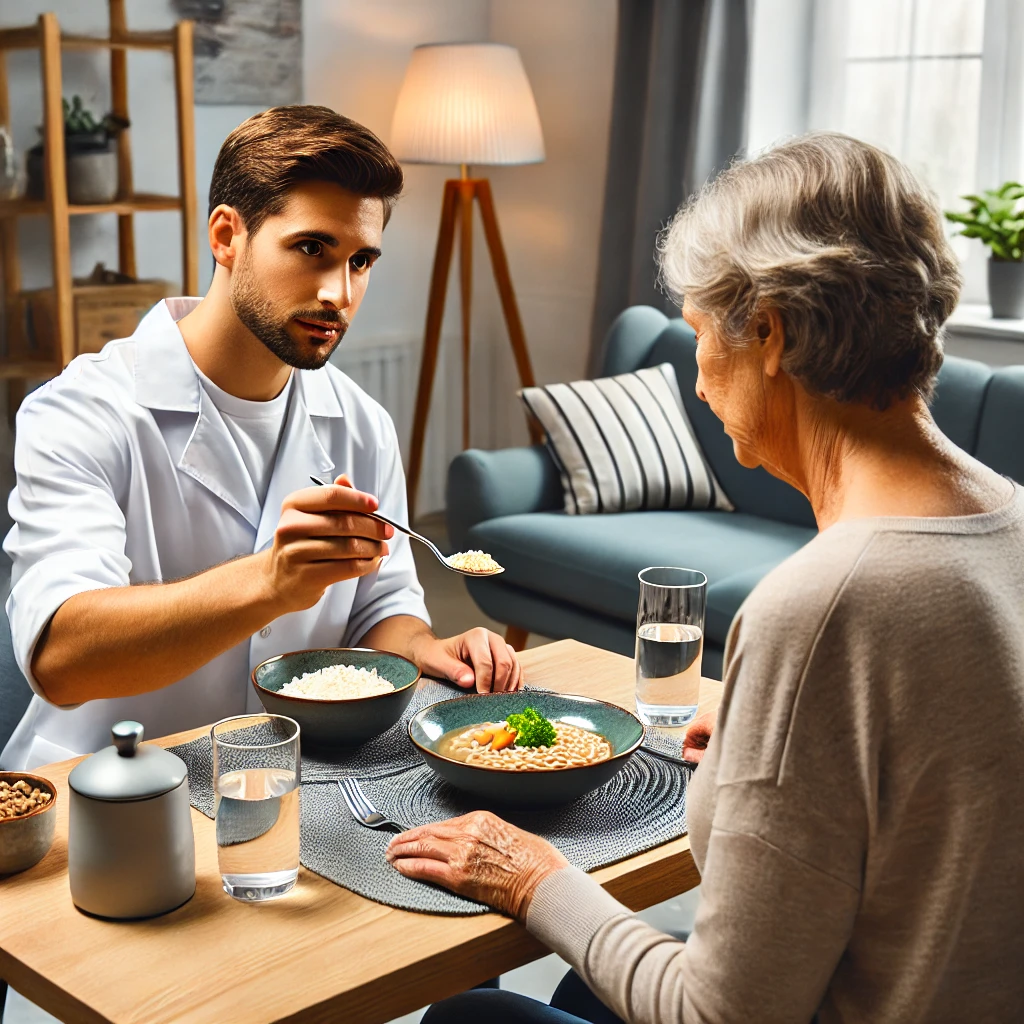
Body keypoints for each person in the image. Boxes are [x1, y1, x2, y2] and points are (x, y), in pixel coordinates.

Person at [387, 133, 1024, 1022]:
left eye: (696, 334)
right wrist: (781, 718)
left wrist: (537, 878)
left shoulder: (828, 607)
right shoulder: (1011, 520)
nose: (694, 374)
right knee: (585, 982)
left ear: (769, 330)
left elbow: (718, 1016)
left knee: (471, 1015)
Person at [1, 104, 522, 775]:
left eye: (361, 260)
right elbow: (61, 662)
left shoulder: (360, 423)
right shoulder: (80, 414)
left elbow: (382, 610)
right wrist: (272, 581)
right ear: (227, 235)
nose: (339, 292)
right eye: (313, 250)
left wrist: (426, 648)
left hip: (284, 786)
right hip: (100, 794)